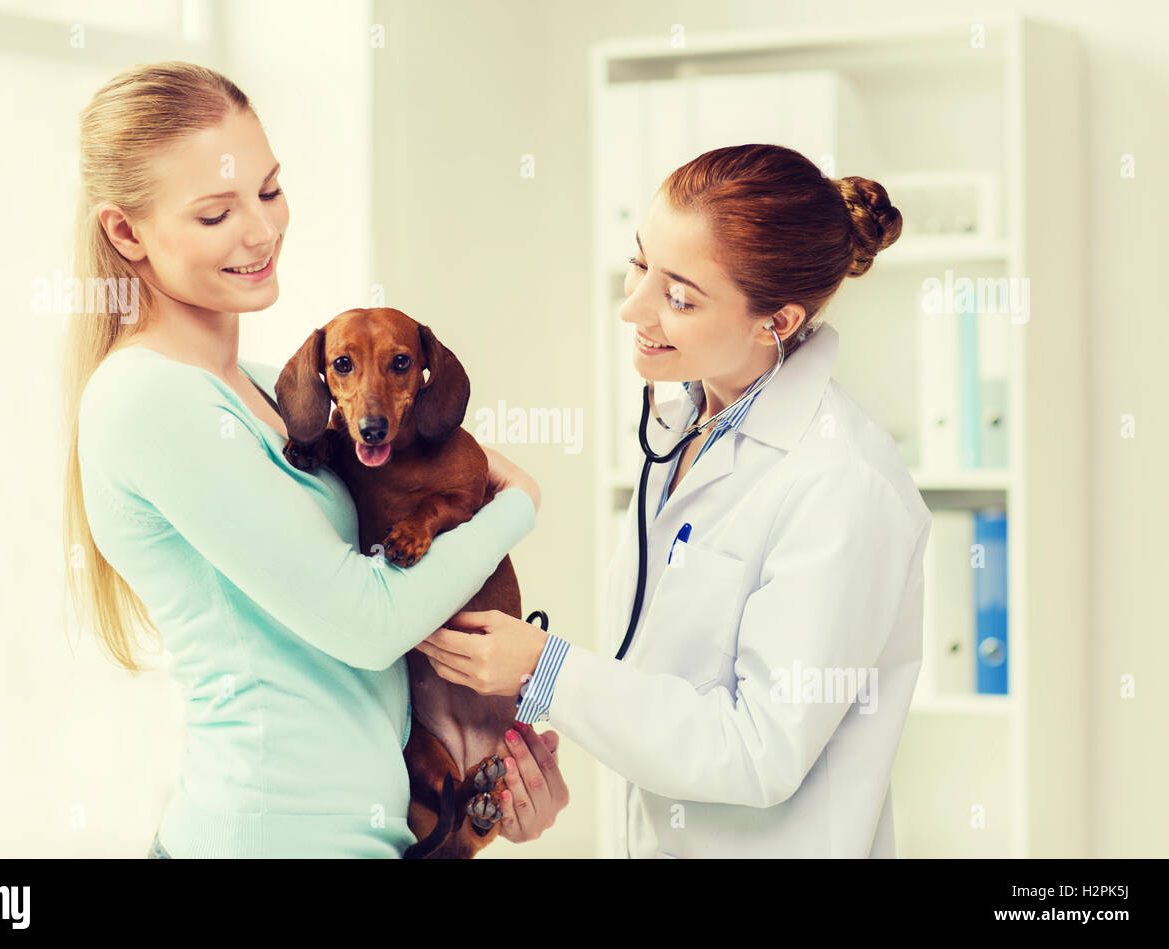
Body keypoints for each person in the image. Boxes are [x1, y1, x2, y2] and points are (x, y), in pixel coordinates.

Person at [60, 61, 566, 859]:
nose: (260, 232)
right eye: (215, 213)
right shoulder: (148, 401)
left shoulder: (269, 392)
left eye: (268, 191)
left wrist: (485, 795)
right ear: (127, 233)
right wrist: (522, 504)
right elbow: (368, 624)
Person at [416, 143, 932, 858]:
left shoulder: (843, 482)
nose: (633, 307)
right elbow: (666, 690)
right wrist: (538, 740)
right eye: (639, 264)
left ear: (776, 322)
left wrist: (545, 667)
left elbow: (759, 750)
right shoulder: (687, 424)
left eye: (680, 296)